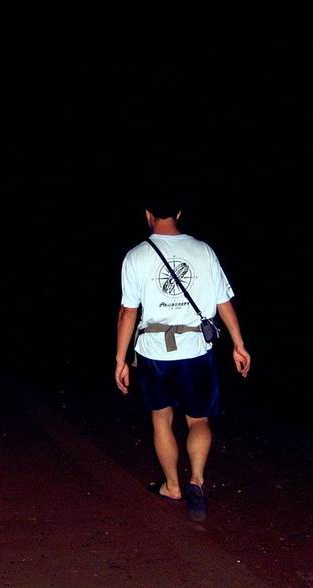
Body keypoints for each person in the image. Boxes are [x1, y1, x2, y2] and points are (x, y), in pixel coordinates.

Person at [115, 197, 251, 521]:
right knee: (199, 420)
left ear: (148, 214)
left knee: (161, 418)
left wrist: (120, 359)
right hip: (196, 351)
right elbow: (223, 301)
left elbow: (128, 312)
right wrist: (239, 344)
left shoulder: (136, 256)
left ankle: (172, 485)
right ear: (178, 213)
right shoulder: (203, 251)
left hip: (154, 352)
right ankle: (196, 481)